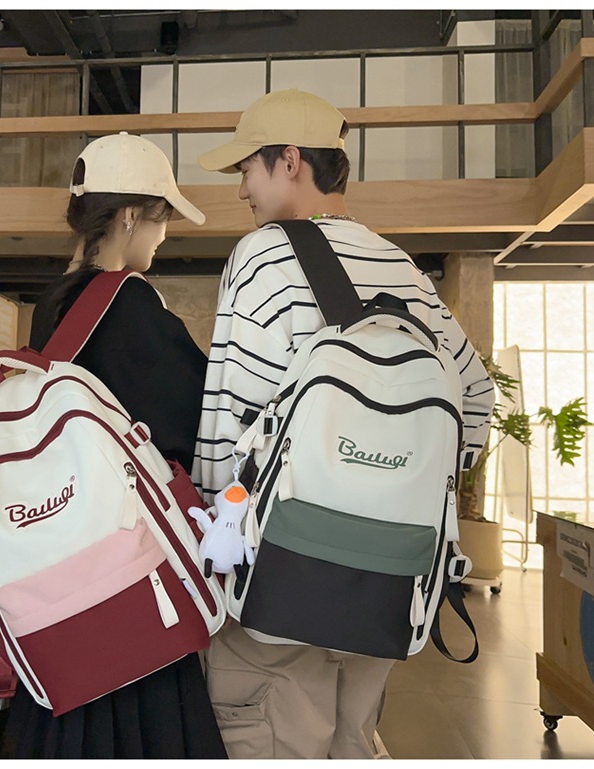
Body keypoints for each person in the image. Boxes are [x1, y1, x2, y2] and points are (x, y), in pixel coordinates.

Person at [192, 89, 494, 759]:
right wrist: (405, 486)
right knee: (352, 741)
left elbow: (228, 420)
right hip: (386, 579)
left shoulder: (263, 255)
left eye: (246, 167)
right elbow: (475, 393)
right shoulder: (403, 268)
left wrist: (215, 550)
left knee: (273, 739)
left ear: (289, 160)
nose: (240, 188)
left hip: (279, 576)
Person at [3, 132, 228, 760]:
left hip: (58, 569)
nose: (164, 236)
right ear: (130, 215)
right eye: (162, 219)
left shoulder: (52, 304)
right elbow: (195, 418)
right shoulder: (127, 301)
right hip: (124, 575)